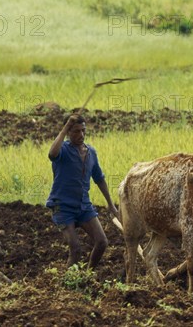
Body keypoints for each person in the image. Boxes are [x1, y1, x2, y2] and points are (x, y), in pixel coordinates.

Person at [46, 113, 119, 269]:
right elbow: (52, 154)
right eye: (76, 131)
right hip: (62, 206)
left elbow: (99, 178)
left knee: (102, 242)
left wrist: (111, 205)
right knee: (76, 249)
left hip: (83, 206)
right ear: (68, 132)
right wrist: (65, 127)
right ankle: (67, 285)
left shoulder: (91, 152)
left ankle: (88, 274)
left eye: (83, 130)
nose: (81, 135)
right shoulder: (63, 150)